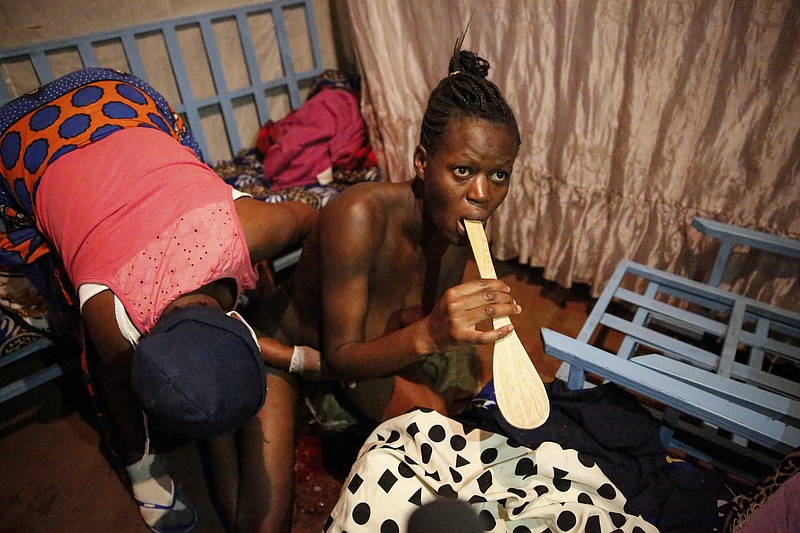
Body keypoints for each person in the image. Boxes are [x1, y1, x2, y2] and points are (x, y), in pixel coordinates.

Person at [0, 68, 318, 532]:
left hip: (120, 102)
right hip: (24, 143)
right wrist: (142, 471)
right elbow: (118, 400)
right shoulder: (109, 314)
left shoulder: (252, 228)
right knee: (53, 276)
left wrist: (305, 305)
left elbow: (311, 219)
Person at [260, 43, 522, 427]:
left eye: (498, 175)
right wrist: (432, 333)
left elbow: (417, 316)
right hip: (308, 351)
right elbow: (343, 356)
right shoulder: (358, 216)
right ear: (422, 162)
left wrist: (454, 319)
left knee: (478, 403)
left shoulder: (464, 219)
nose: (482, 195)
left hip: (382, 346)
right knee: (438, 426)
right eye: (463, 171)